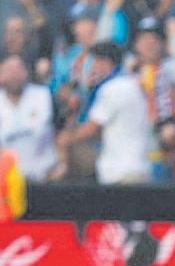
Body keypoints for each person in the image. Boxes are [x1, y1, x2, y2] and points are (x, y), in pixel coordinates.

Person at [56, 42, 152, 184]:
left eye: (94, 62)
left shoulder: (114, 88)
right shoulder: (130, 83)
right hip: (138, 167)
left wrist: (65, 139)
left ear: (105, 63)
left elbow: (91, 129)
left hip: (122, 172)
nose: (92, 68)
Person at [0, 54, 57, 182]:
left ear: (26, 73)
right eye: (9, 71)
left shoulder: (44, 95)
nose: (15, 75)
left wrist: (62, 165)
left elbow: (62, 130)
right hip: (6, 181)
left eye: (19, 69)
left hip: (45, 176)